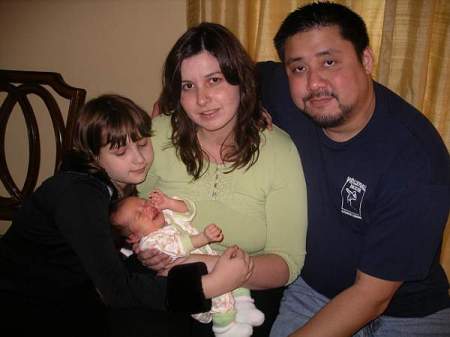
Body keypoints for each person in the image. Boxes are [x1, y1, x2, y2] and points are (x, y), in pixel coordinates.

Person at [256, 2, 450, 337]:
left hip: (406, 314)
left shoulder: (416, 161)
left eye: (329, 62)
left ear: (366, 60)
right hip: (313, 292)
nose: (314, 83)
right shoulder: (284, 93)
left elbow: (372, 297)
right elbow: (228, 72)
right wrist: (173, 104)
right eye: (298, 68)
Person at [0, 94, 253, 337]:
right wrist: (214, 284)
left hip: (77, 290)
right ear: (94, 156)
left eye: (142, 143)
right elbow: (116, 290)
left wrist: (245, 116)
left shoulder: (118, 185)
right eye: (120, 152)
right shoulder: (78, 195)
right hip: (28, 306)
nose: (138, 159)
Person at [137, 22, 308, 337]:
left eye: (214, 80)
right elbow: (129, 210)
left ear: (240, 81)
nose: (202, 99)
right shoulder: (159, 134)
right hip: (165, 288)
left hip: (246, 296)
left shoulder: (278, 151)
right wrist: (142, 245)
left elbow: (288, 261)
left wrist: (220, 268)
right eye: (188, 86)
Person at [111, 190, 265, 337]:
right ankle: (224, 326)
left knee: (235, 271)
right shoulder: (149, 243)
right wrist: (203, 238)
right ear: (134, 237)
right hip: (194, 280)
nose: (148, 208)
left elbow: (188, 211)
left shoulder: (166, 216)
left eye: (145, 202)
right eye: (139, 214)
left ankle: (244, 305)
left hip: (207, 258)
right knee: (222, 292)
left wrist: (169, 203)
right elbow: (176, 246)